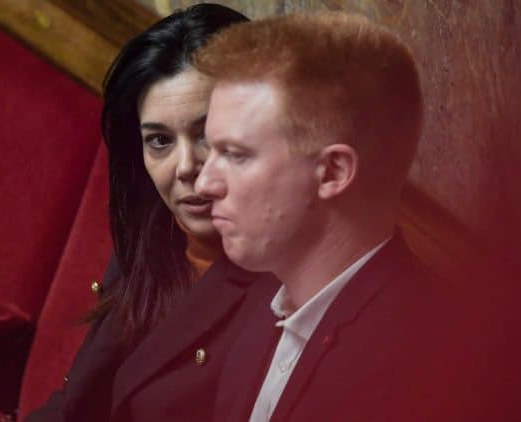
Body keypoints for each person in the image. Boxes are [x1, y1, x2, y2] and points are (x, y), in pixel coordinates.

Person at [193, 12, 482, 421]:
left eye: (236, 155)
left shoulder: (429, 365)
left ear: (332, 172)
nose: (204, 183)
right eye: (211, 150)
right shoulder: (257, 313)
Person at [25, 4, 277, 421]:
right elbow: (78, 404)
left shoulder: (291, 285)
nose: (185, 167)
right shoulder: (152, 234)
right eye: (160, 141)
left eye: (207, 133)